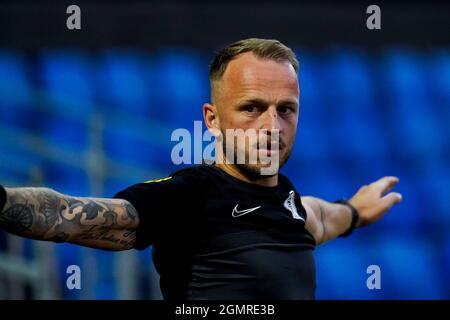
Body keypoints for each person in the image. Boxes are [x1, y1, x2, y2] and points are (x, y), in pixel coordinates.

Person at [0, 38, 402, 300]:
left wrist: (356, 210)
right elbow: (66, 215)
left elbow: (324, 218)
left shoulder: (291, 204)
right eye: (252, 108)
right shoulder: (189, 194)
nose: (272, 126)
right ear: (212, 119)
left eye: (286, 110)